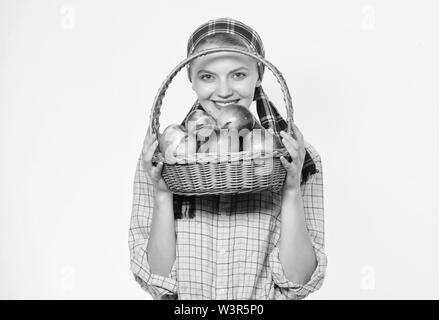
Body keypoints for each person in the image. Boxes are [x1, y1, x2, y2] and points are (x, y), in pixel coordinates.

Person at [129, 17, 327, 300]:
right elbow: (160, 283)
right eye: (207, 76)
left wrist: (291, 189)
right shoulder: (165, 157)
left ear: (259, 75)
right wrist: (163, 194)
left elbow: (298, 282)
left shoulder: (293, 155)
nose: (223, 91)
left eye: (238, 74)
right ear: (191, 80)